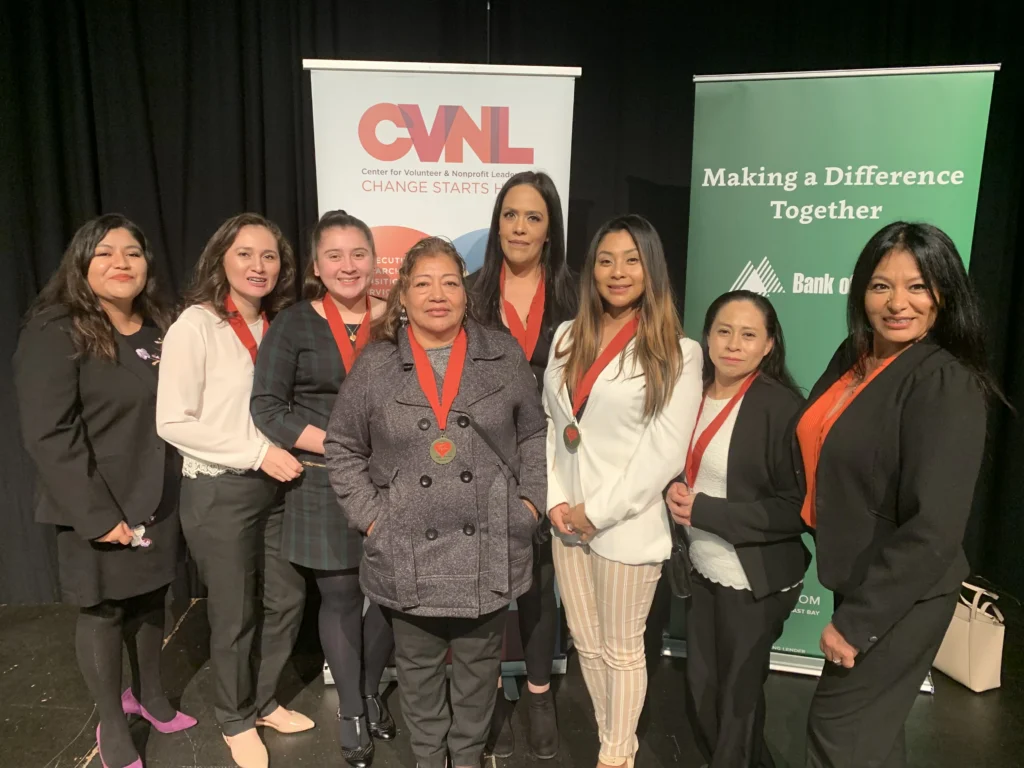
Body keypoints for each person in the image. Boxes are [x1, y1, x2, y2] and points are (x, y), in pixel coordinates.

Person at [671, 221, 997, 768]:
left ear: (945, 292)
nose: (897, 303)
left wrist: (857, 621)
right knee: (870, 737)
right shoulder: (858, 352)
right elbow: (815, 445)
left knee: (837, 735)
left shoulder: (945, 382)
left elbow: (935, 528)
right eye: (880, 285)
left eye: (917, 286)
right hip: (857, 576)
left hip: (903, 596)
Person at [325, 237, 546, 768]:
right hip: (406, 546)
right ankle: (429, 758)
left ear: (467, 293)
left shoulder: (502, 353)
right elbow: (342, 447)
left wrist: (529, 508)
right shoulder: (376, 363)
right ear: (403, 295)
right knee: (419, 676)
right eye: (423, 283)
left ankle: (466, 757)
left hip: (490, 540)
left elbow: (534, 435)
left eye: (450, 282)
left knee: (476, 674)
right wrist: (374, 519)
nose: (437, 294)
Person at [14, 215, 196, 768]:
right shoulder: (55, 329)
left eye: (133, 252)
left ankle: (152, 697)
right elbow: (49, 434)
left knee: (150, 602)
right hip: (97, 502)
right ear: (82, 265)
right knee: (104, 612)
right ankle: (112, 725)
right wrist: (95, 515)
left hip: (161, 497)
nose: (122, 263)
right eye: (106, 254)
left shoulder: (163, 326)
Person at [545, 214, 703, 768]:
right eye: (606, 260)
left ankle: (616, 754)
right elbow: (552, 428)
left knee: (620, 648)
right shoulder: (567, 335)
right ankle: (616, 738)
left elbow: (662, 453)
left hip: (624, 525)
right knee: (586, 645)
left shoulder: (679, 353)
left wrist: (597, 512)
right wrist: (556, 503)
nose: (617, 272)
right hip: (567, 521)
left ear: (651, 268)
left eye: (631, 260)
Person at [156, 213, 311, 768]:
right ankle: (235, 718)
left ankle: (262, 699)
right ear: (221, 257)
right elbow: (173, 422)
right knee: (234, 612)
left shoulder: (280, 325)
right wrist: (256, 454)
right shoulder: (195, 325)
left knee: (288, 599)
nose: (258, 266)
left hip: (277, 487)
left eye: (269, 256)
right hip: (221, 490)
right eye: (245, 253)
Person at [250, 210, 392, 768]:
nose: (347, 265)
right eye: (334, 255)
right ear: (315, 265)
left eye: (358, 253)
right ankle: (352, 711)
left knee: (389, 598)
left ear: (374, 260)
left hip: (393, 484)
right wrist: (340, 441)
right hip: (324, 481)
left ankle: (372, 690)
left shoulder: (396, 319)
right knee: (339, 597)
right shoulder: (293, 324)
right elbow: (268, 407)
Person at [664, 290, 810, 767]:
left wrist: (706, 512)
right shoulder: (689, 391)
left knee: (737, 700)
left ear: (768, 345)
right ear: (706, 336)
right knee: (702, 688)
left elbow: (798, 509)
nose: (733, 344)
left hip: (755, 578)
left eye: (749, 335)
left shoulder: (782, 407)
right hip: (704, 568)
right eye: (724, 331)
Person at [467, 170, 578, 759]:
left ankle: (538, 693)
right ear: (497, 222)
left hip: (553, 463)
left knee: (539, 588)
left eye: (534, 217)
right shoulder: (468, 291)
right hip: (479, 464)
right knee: (483, 588)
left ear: (549, 229)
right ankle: (482, 699)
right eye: (511, 214)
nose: (520, 226)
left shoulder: (577, 296)